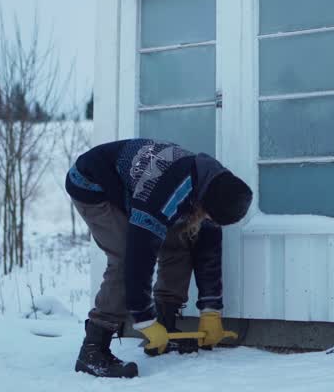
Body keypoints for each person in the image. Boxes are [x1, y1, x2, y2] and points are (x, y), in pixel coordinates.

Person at [65, 138, 253, 378]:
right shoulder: (166, 190)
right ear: (205, 204)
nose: (208, 220)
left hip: (138, 189)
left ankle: (165, 322)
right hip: (93, 184)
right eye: (209, 216)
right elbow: (139, 255)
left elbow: (208, 250)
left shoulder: (214, 186)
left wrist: (211, 310)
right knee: (124, 256)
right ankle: (93, 349)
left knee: (182, 240)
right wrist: (143, 320)